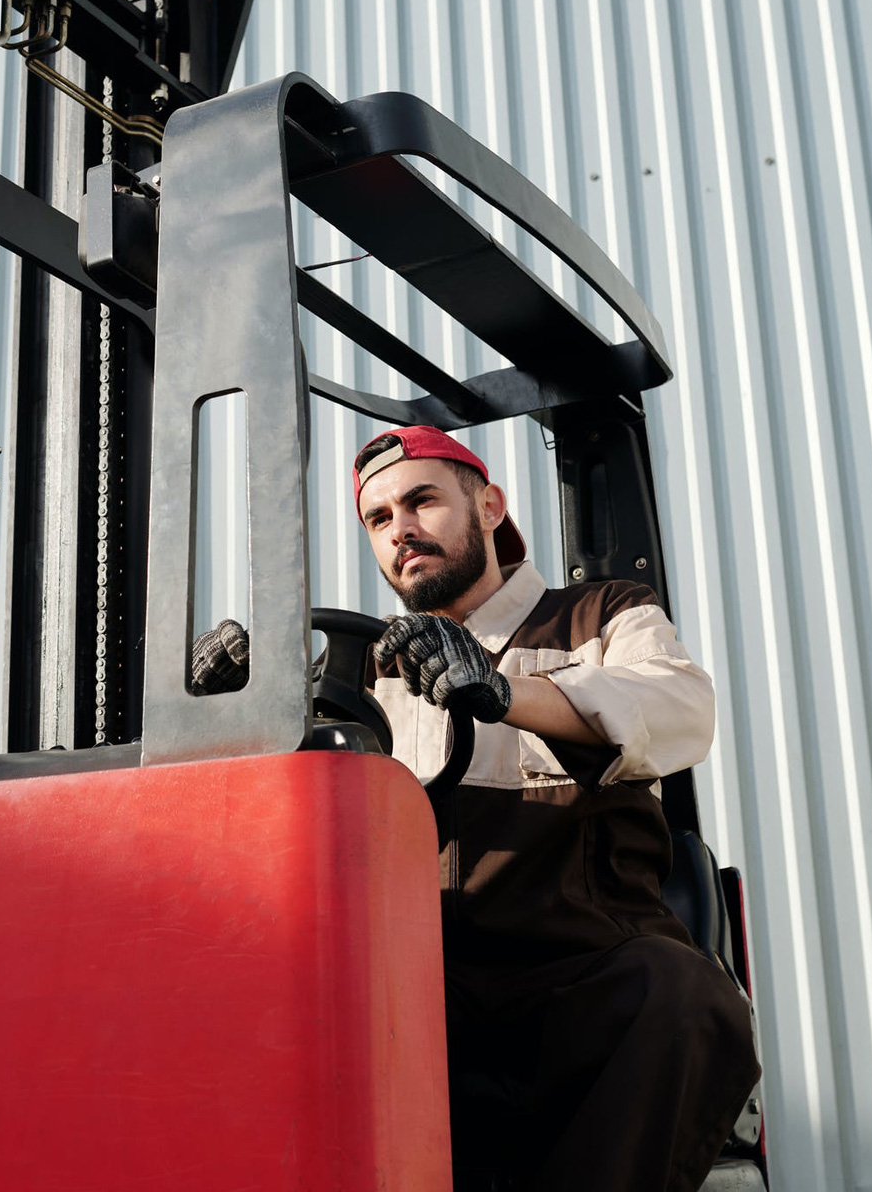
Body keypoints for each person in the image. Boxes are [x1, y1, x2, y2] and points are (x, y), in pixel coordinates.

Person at [190, 424, 761, 1192]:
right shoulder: (361, 671)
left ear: (489, 507)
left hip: (577, 978)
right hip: (423, 997)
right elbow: (278, 826)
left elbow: (680, 707)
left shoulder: (600, 617)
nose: (401, 530)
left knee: (682, 996)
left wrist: (503, 693)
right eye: (379, 518)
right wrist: (228, 714)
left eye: (421, 501)